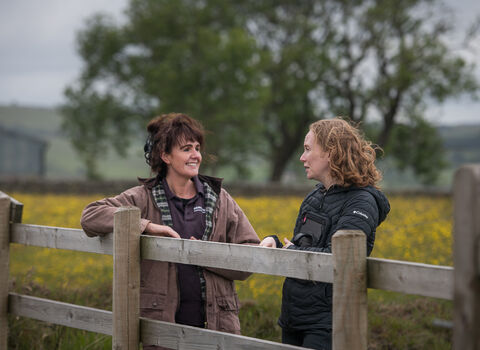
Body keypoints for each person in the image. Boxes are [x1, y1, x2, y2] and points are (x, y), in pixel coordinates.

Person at [80, 113, 260, 349]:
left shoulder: (220, 199)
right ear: (165, 155)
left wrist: (205, 256)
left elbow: (251, 254)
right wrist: (145, 226)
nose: (196, 155)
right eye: (186, 149)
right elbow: (90, 215)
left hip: (216, 327)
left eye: (197, 148)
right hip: (161, 329)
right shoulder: (141, 197)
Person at [260, 118, 390, 350]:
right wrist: (276, 242)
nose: (302, 157)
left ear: (331, 153)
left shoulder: (362, 201)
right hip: (293, 318)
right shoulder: (315, 196)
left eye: (308, 149)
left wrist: (293, 252)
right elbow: (302, 244)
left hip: (328, 323)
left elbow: (338, 259)